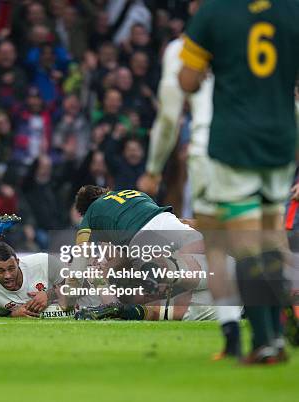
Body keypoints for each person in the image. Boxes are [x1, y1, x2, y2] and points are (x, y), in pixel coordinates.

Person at [178, 0, 299, 364]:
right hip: (281, 140)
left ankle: (266, 340)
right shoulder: (292, 10)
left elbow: (188, 79)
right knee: (267, 234)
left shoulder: (214, 11)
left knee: (245, 241)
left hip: (235, 142)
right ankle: (281, 324)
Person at [137, 0, 242, 360]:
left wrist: (153, 168)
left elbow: (168, 118)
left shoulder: (181, 49)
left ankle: (232, 336)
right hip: (258, 147)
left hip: (209, 148)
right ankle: (271, 330)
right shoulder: (256, 40)